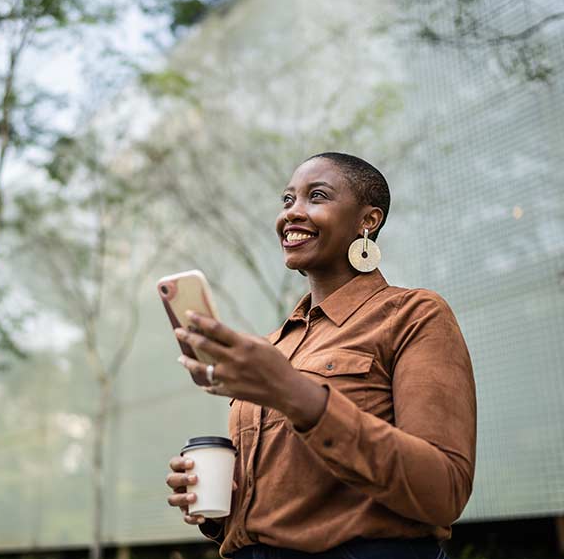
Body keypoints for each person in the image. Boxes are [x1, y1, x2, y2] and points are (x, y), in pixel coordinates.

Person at [164, 152, 477, 559]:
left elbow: (443, 492)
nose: (292, 213)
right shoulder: (273, 346)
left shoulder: (414, 315)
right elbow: (293, 493)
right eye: (287, 200)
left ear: (368, 220)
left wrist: (296, 393)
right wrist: (220, 502)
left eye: (317, 196)